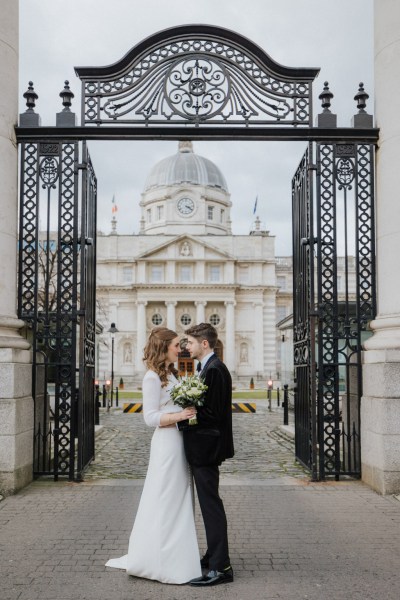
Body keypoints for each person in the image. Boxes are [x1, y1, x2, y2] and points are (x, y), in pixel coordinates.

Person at [105, 327, 202, 585]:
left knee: (180, 498)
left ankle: (180, 555)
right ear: (163, 348)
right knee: (165, 498)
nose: (178, 348)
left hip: (179, 441)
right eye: (174, 345)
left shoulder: (172, 373)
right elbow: (149, 418)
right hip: (166, 444)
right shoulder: (151, 378)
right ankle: (161, 559)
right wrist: (180, 416)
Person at [183, 323, 234, 587]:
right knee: (209, 504)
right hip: (205, 448)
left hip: (206, 448)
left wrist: (185, 414)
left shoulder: (215, 370)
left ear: (204, 343)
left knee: (210, 505)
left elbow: (213, 415)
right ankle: (214, 555)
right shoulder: (209, 368)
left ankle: (221, 566)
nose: (186, 347)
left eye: (190, 342)